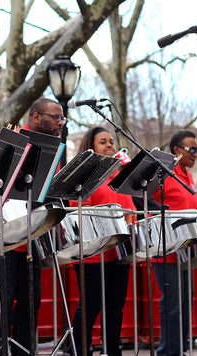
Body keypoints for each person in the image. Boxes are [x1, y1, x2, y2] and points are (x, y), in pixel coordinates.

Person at [0, 97, 65, 356]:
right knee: (2, 304)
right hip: (5, 236)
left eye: (62, 118)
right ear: (36, 116)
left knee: (31, 303)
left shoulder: (53, 150)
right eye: (56, 117)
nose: (61, 123)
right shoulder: (12, 140)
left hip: (31, 237)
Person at [68, 126, 136, 356]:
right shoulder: (84, 175)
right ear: (90, 147)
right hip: (93, 251)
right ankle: (78, 351)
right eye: (103, 142)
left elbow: (130, 211)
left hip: (119, 251)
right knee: (91, 304)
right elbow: (78, 212)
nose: (110, 146)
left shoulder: (119, 177)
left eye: (111, 142)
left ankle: (112, 351)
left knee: (116, 307)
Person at [151, 129, 197, 356]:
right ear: (177, 150)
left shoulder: (186, 175)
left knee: (185, 299)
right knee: (172, 300)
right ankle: (168, 351)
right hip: (166, 246)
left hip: (185, 247)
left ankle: (180, 348)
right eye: (192, 149)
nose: (196, 154)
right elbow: (143, 199)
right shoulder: (164, 173)